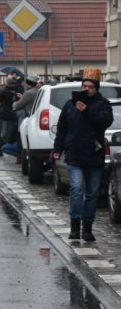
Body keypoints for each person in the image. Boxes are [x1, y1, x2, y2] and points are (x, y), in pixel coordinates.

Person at [53, 69, 113, 242]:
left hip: (94, 154)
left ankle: (87, 227)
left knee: (93, 193)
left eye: (90, 87)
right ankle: (75, 226)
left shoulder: (103, 104)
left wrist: (86, 110)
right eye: (84, 86)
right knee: (77, 189)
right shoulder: (70, 105)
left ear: (96, 89)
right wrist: (58, 149)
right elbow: (62, 128)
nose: (86, 89)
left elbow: (104, 121)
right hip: (74, 154)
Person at [0, 71, 24, 156]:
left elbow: (0, 102)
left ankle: (0, 150)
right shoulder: (19, 89)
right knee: (16, 131)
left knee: (3, 132)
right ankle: (16, 150)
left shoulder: (4, 91)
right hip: (15, 113)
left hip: (5, 113)